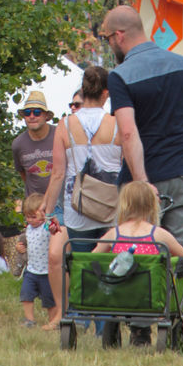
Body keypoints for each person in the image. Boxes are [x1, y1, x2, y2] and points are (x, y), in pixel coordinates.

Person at [102, 4, 183, 348]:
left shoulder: (120, 75)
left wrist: (142, 178)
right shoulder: (182, 65)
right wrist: (180, 151)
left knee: (138, 250)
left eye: (107, 38)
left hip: (143, 182)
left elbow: (129, 134)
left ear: (119, 35)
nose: (109, 46)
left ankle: (140, 328)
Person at [41, 64, 122, 329]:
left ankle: (80, 318)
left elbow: (57, 173)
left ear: (83, 90)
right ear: (106, 93)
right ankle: (105, 323)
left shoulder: (65, 125)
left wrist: (48, 208)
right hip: (111, 207)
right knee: (108, 265)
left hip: (77, 209)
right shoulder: (116, 125)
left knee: (82, 265)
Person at [93, 181, 183, 264]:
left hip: (120, 289)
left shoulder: (114, 233)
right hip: (151, 290)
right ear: (152, 204)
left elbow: (88, 259)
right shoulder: (158, 234)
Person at [16, 194, 56, 327]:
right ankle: (29, 319)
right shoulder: (28, 229)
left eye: (34, 217)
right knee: (26, 295)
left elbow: (53, 229)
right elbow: (26, 242)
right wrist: (21, 247)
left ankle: (53, 321)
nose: (31, 220)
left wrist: (50, 225)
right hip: (31, 270)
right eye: (28, 217)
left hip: (46, 272)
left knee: (49, 300)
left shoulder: (46, 227)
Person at [11, 90, 56, 200]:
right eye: (27, 113)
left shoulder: (60, 135)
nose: (32, 116)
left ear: (46, 115)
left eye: (36, 112)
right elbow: (24, 174)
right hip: (34, 207)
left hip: (61, 203)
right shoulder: (18, 144)